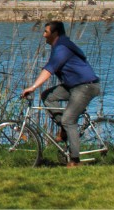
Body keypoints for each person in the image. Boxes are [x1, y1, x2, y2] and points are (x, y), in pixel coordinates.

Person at [21, 20, 101, 167]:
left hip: (85, 86)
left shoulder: (62, 48)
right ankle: (64, 129)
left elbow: (49, 69)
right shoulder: (59, 46)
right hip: (73, 85)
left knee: (69, 120)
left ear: (55, 33)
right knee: (48, 96)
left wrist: (32, 87)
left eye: (46, 32)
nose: (43, 35)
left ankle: (75, 160)